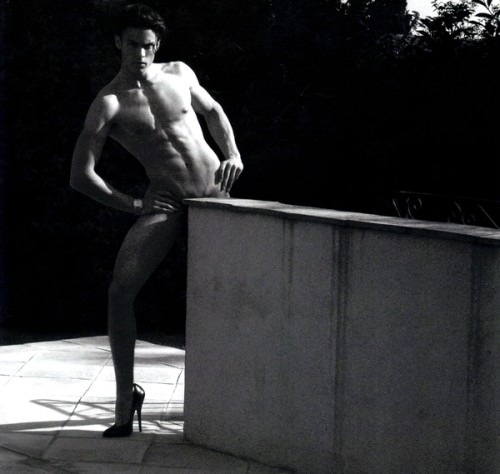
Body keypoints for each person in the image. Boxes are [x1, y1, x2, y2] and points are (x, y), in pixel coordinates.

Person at [70, 3, 243, 437]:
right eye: (133, 45)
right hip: (167, 205)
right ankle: (125, 399)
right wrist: (133, 204)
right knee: (119, 293)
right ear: (118, 43)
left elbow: (214, 112)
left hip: (216, 196)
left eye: (148, 45)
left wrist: (233, 154)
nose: (141, 54)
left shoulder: (180, 73)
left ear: (158, 45)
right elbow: (81, 176)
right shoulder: (109, 102)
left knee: (237, 298)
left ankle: (237, 396)